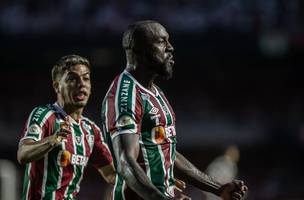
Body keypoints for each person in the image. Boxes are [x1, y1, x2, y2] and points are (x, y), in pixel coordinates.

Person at [101, 20, 248, 200]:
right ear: (139, 49)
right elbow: (125, 163)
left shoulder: (155, 92)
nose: (170, 48)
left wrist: (218, 188)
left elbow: (168, 153)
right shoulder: (125, 94)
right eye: (162, 41)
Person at [17, 55, 116, 200]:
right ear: (57, 86)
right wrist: (52, 140)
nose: (81, 84)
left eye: (86, 78)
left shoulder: (91, 130)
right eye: (72, 79)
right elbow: (22, 154)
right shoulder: (45, 115)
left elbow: (112, 174)